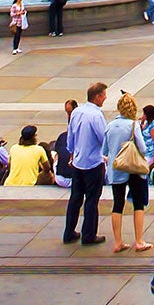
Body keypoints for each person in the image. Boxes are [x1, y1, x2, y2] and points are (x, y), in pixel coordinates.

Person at [104, 91, 154, 254]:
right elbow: (142, 147)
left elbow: (104, 149)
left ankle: (118, 242)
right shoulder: (133, 125)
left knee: (117, 204)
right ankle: (139, 240)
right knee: (138, 203)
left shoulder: (110, 125)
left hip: (116, 167)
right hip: (133, 168)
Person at [63, 81, 109, 246]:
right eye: (104, 95)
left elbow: (71, 134)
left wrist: (72, 152)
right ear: (97, 97)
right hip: (93, 162)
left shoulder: (77, 112)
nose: (105, 98)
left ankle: (68, 232)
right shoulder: (96, 115)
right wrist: (106, 154)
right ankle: (88, 234)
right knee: (91, 199)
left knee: (75, 197)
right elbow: (104, 138)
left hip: (78, 161)